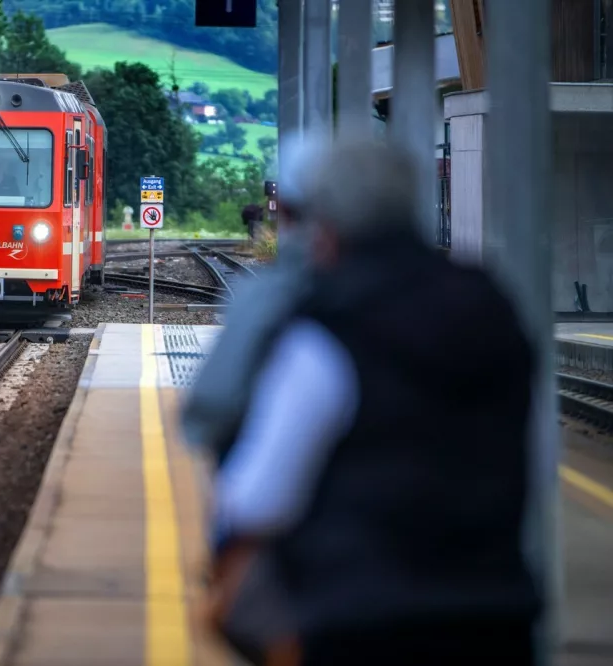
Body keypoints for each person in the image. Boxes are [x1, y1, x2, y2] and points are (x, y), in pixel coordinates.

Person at [184, 133, 541, 666]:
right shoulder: (491, 304)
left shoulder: (329, 324)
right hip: (495, 614)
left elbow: (260, 498)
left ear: (325, 222)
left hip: (360, 618)